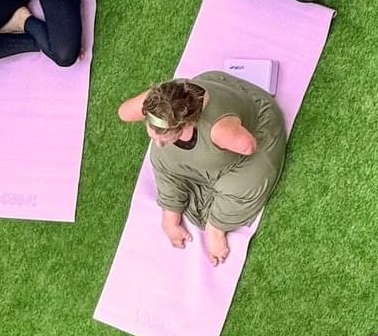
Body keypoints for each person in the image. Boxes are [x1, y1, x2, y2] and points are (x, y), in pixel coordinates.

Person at [117, 74, 287, 266]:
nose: (159, 143)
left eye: (165, 139)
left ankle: (215, 228)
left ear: (188, 123)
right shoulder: (161, 101)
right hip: (208, 104)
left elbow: (249, 147)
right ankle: (170, 214)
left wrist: (222, 143)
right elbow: (123, 112)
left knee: (246, 185)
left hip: (249, 132)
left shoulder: (220, 129)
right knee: (160, 157)